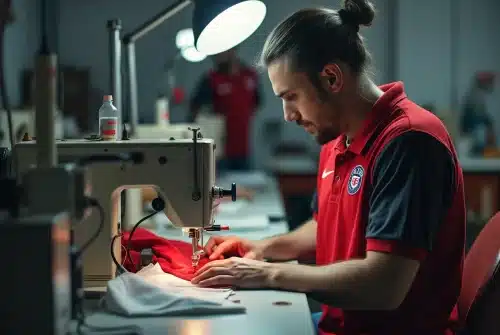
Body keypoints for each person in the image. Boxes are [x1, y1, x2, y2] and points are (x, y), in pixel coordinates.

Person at [190, 1, 466, 334]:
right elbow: (330, 226)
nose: (287, 115)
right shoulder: (337, 141)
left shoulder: (409, 142)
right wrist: (265, 249)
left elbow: (385, 286)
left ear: (331, 77)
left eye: (291, 96)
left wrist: (268, 274)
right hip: (338, 324)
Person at [188, 48, 263, 172]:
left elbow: (257, 103)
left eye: (221, 51)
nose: (217, 55)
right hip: (219, 152)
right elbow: (194, 110)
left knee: (245, 186)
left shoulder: (250, 76)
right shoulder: (210, 79)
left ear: (232, 50)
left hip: (243, 149)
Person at [459, 72, 496, 156]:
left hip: (472, 134)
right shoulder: (475, 96)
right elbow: (477, 116)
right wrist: (489, 124)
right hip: (470, 135)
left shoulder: (477, 95)